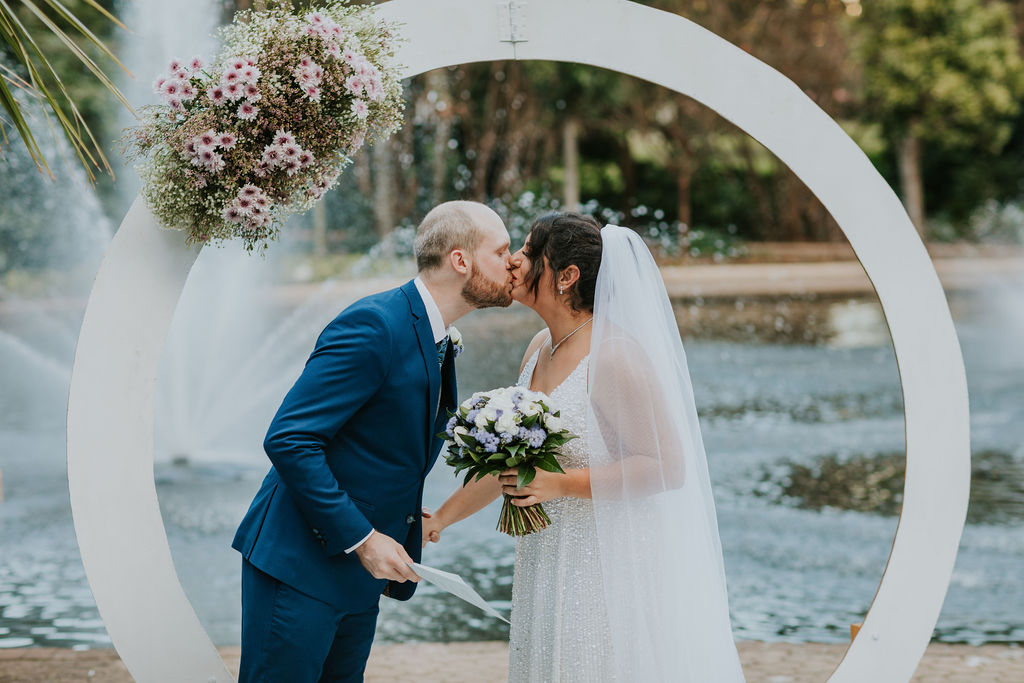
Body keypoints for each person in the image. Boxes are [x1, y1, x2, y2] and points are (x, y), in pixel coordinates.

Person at [423, 213, 745, 681]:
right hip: (545, 556)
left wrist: (561, 484)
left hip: (603, 567)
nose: (514, 261)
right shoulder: (539, 347)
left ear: (567, 276)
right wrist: (440, 519)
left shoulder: (614, 356)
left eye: (528, 252)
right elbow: (514, 463)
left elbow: (666, 466)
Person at [231, 201, 514, 682]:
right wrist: (363, 539)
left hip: (358, 577)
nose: (513, 262)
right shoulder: (375, 324)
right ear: (460, 260)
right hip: (300, 565)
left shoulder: (437, 336)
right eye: (502, 251)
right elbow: (290, 439)